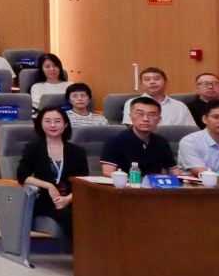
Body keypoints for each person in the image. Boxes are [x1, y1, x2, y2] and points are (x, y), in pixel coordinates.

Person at [16, 106, 86, 240]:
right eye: (47, 121)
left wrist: (67, 199)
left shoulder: (78, 152)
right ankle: (79, 252)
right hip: (44, 201)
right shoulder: (33, 148)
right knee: (69, 216)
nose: (52, 125)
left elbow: (83, 182)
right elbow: (22, 176)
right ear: (40, 124)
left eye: (57, 121)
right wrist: (48, 185)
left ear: (65, 124)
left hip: (71, 199)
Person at [99, 97, 181, 178]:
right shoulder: (115, 141)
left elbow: (174, 171)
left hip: (155, 185)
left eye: (151, 115)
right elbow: (108, 173)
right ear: (130, 116)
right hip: (126, 185)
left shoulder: (162, 142)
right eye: (140, 114)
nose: (145, 119)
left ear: (159, 119)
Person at [121, 67, 195, 126]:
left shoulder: (180, 106)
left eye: (156, 79)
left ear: (165, 82)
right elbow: (131, 129)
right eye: (147, 79)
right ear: (141, 84)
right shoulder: (132, 103)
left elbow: (190, 130)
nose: (152, 82)